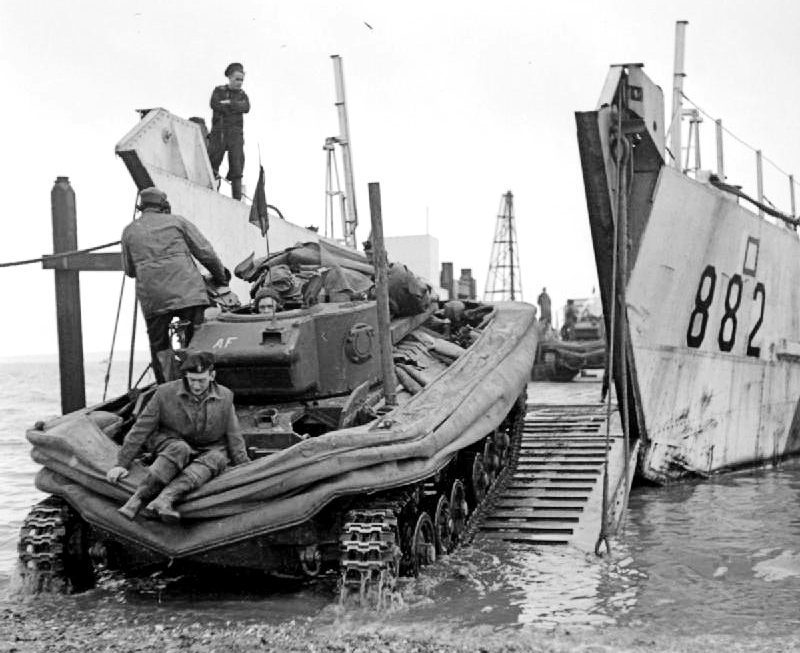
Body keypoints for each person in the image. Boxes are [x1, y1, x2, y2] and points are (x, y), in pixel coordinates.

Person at [106, 351, 249, 522]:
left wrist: (245, 468)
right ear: (186, 376)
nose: (196, 386)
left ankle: (165, 499)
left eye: (201, 380)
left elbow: (234, 436)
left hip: (207, 448)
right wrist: (121, 463)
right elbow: (141, 429)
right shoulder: (164, 393)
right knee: (179, 449)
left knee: (217, 458)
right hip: (171, 442)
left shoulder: (225, 397)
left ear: (212, 376)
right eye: (192, 380)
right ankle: (137, 498)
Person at [121, 186, 231, 383]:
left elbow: (129, 270)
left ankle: (168, 386)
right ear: (164, 205)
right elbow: (206, 252)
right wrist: (221, 277)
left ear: (142, 207)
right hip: (189, 293)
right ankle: (198, 379)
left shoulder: (129, 231)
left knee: (159, 344)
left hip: (153, 299)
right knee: (197, 337)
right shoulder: (178, 222)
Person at [208, 62, 250, 200]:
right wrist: (233, 107)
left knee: (237, 167)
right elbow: (215, 104)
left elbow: (246, 107)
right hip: (219, 133)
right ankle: (211, 192)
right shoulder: (219, 91)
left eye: (241, 80)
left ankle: (236, 199)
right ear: (230, 78)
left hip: (235, 135)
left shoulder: (242, 95)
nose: (240, 83)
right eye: (237, 79)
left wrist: (230, 104)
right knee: (213, 163)